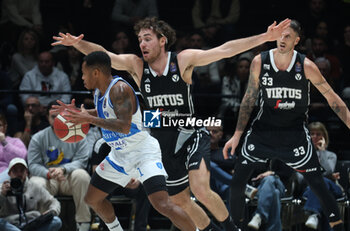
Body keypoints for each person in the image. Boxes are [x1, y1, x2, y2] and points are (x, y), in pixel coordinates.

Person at [52, 16, 291, 231]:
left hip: (190, 132)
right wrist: (77, 44)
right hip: (162, 139)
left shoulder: (182, 60)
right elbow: (106, 57)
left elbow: (225, 50)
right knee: (180, 201)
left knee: (201, 190)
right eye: (139, 40)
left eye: (147, 39)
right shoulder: (137, 66)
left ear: (162, 40)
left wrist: (265, 37)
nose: (142, 44)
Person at [223, 20, 350, 231]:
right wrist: (237, 134)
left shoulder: (306, 66)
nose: (282, 39)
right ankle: (236, 227)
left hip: (294, 134)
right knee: (237, 183)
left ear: (297, 40)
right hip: (263, 131)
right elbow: (248, 99)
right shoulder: (259, 61)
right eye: (280, 35)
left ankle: (337, 226)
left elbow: (333, 98)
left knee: (318, 184)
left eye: (288, 36)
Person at [51, 51, 195, 231]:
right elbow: (107, 112)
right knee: (92, 198)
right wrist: (85, 113)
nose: (81, 77)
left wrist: (88, 119)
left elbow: (124, 125)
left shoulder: (119, 89)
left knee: (162, 204)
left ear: (96, 72)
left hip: (143, 152)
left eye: (84, 72)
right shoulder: (98, 91)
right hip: (119, 154)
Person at [27, 101, 91, 231]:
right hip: (48, 178)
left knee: (82, 176)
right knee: (35, 182)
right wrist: (48, 173)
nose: (57, 120)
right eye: (53, 117)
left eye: (59, 117)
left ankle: (83, 225)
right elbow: (33, 164)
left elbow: (82, 160)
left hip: (68, 178)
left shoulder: (78, 135)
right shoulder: (38, 137)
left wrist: (63, 169)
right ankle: (42, 224)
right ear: (47, 118)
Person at [91, 137, 151, 231]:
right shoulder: (101, 143)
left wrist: (138, 180)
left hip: (129, 183)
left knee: (145, 187)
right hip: (108, 183)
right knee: (101, 189)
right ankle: (106, 228)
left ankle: (140, 228)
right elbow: (96, 172)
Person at [0, 157, 61, 231]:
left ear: (26, 172)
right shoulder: (3, 188)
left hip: (33, 224)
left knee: (56, 221)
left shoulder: (35, 187)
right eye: (15, 171)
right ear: (9, 173)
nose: (19, 174)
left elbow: (54, 201)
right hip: (12, 226)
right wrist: (2, 195)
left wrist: (52, 211)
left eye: (22, 170)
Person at [303, 122, 343, 230]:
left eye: (318, 134)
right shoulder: (303, 156)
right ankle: (316, 216)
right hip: (312, 189)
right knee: (322, 193)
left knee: (321, 182)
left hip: (333, 187)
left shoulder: (330, 155)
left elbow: (329, 170)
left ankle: (313, 214)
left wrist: (322, 152)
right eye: (312, 134)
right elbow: (300, 177)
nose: (315, 137)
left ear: (324, 137)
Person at [0, 113, 27, 183]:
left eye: (0, 125)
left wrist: (4, 142)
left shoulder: (15, 141)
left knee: (13, 172)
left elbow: (21, 159)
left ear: (5, 127)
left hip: (8, 175)